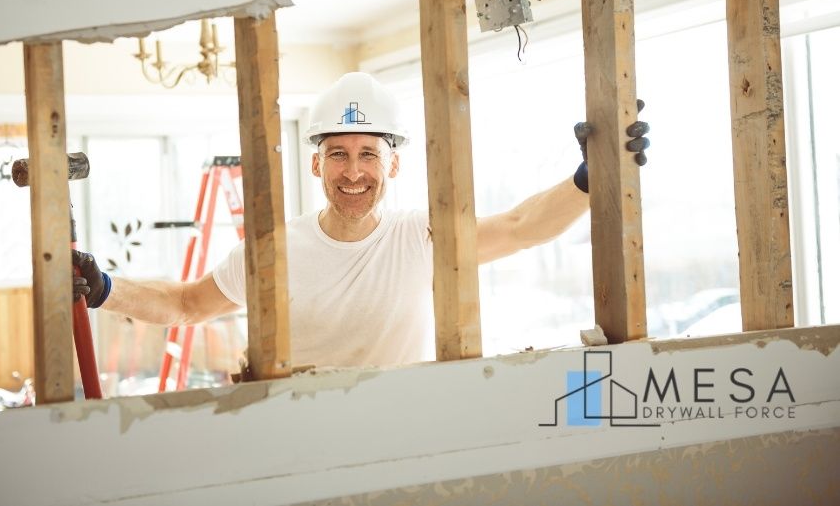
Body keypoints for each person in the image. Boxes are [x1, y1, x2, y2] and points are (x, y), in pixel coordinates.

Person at [73, 72, 648, 368]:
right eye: (339, 154)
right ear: (316, 160)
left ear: (392, 163)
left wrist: (590, 179)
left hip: (404, 440)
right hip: (304, 440)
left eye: (367, 154)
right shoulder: (276, 250)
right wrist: (104, 290)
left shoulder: (421, 236)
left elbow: (523, 227)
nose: (353, 172)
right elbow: (187, 305)